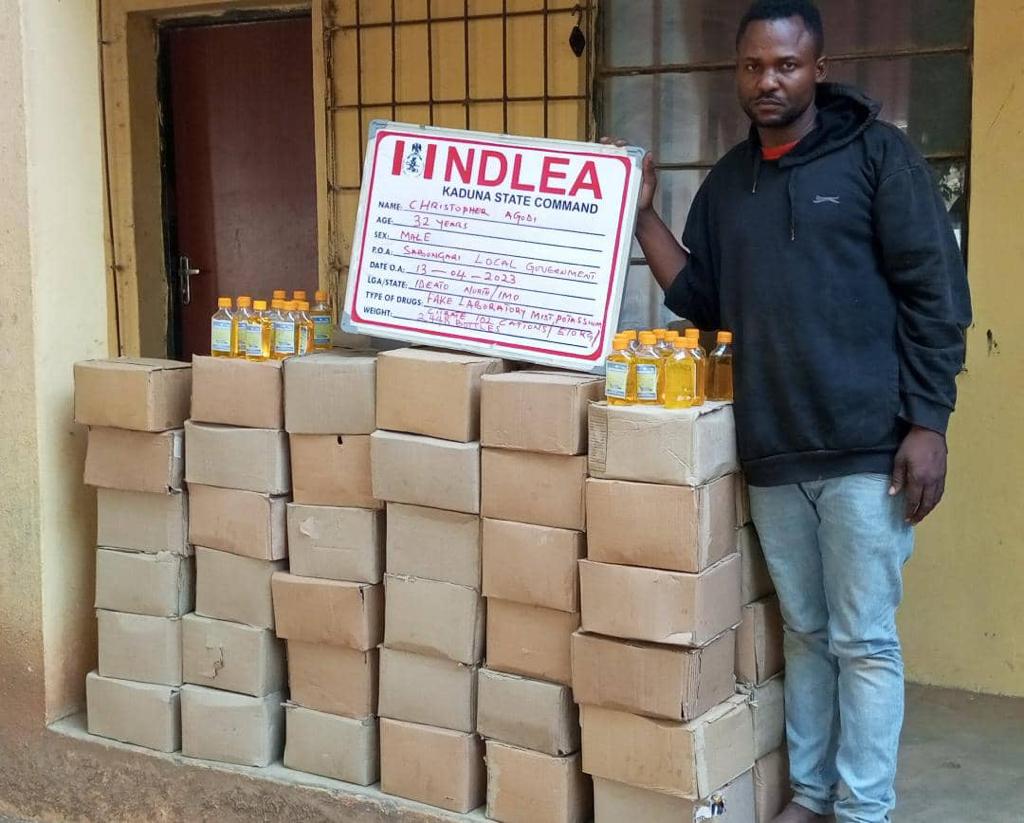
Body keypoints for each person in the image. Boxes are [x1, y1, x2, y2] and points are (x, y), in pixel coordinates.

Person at [610, 1, 972, 821]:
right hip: (773, 451)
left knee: (864, 639)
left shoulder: (878, 157)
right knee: (807, 634)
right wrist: (642, 214)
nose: (767, 80)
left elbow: (936, 294)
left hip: (869, 451)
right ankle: (811, 795)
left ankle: (863, 808)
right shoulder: (729, 185)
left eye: (785, 65)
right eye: (752, 66)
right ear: (736, 72)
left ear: (818, 69)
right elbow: (701, 296)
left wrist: (929, 422)